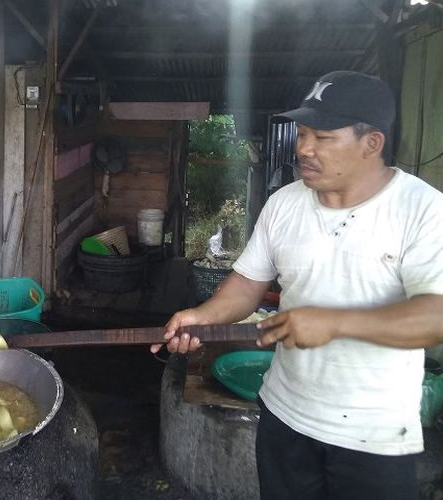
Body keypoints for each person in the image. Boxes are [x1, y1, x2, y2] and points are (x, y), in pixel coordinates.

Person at [151, 70, 443, 499]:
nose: (304, 148)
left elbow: (433, 318)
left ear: (372, 144)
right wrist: (203, 316)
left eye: (323, 138)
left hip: (372, 435)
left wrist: (335, 323)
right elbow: (248, 283)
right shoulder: (284, 203)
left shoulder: (423, 210)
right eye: (303, 133)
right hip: (284, 417)